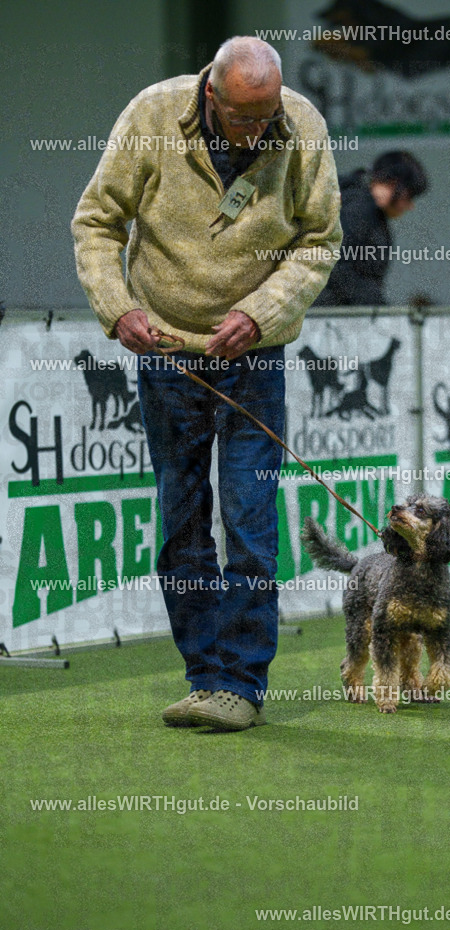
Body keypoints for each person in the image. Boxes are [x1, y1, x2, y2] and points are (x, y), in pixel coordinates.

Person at [71, 37, 342, 732]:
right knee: (182, 522)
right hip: (165, 350)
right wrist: (117, 308)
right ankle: (204, 677)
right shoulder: (151, 113)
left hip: (256, 354)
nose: (259, 130)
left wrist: (262, 312)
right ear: (210, 94)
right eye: (244, 116)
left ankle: (241, 685)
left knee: (250, 522)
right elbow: (97, 222)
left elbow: (319, 240)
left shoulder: (301, 124)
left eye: (267, 114)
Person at [315, 151, 428, 306]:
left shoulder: (360, 204)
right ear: (394, 185)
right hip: (329, 314)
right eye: (409, 197)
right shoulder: (360, 206)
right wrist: (376, 307)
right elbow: (335, 264)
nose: (410, 206)